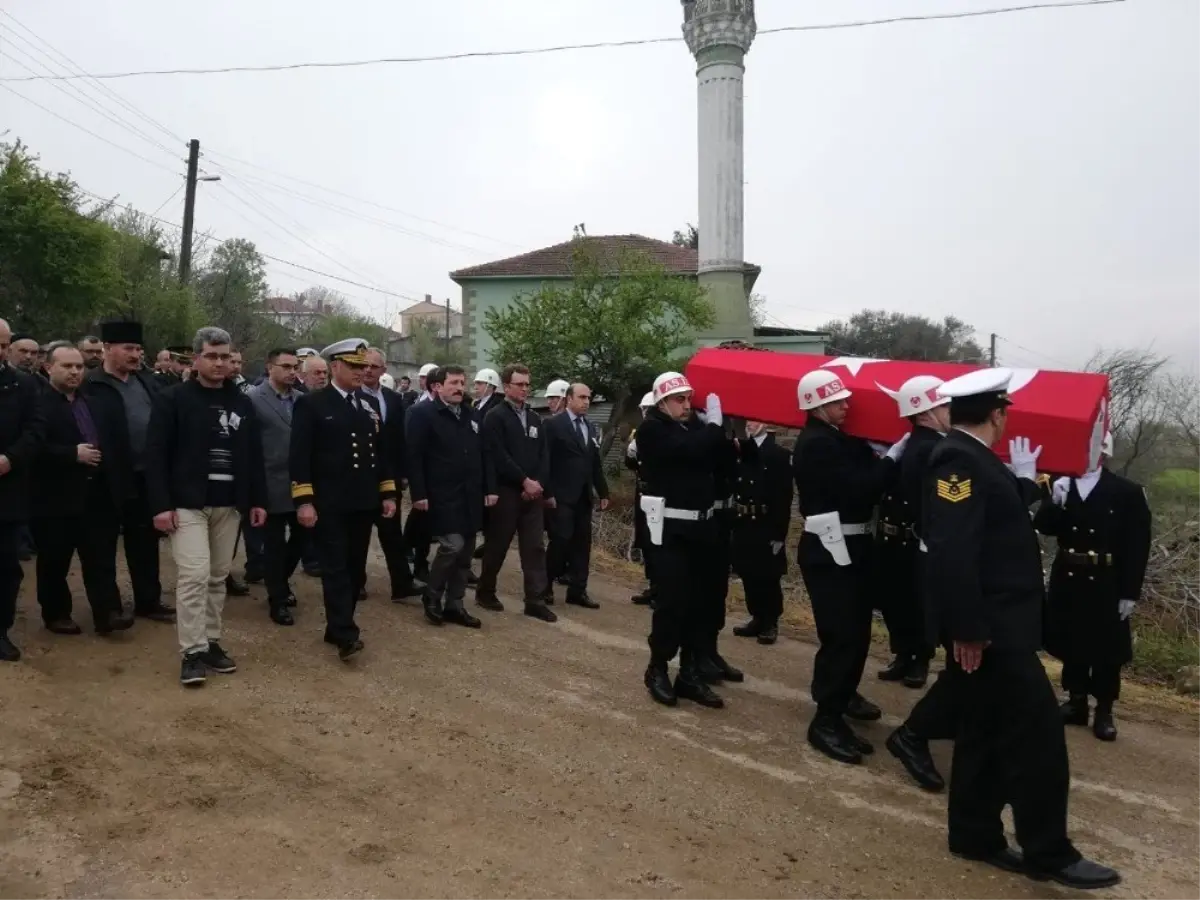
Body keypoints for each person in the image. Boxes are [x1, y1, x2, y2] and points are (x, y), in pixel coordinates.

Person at [923, 367, 1118, 889]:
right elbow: (952, 552)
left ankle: (973, 833)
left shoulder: (980, 462)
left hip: (997, 626)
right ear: (997, 414)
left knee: (984, 732)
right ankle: (1049, 851)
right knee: (1039, 742)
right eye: (1005, 411)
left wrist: (1021, 482)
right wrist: (967, 628)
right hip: (992, 630)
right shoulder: (958, 463)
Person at [792, 369, 908, 763]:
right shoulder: (816, 444)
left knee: (856, 634)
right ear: (817, 404)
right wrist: (892, 458)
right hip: (830, 548)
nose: (846, 406)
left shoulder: (836, 439)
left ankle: (841, 697)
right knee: (841, 635)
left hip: (851, 545)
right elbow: (862, 487)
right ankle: (825, 719)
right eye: (838, 401)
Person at [145, 327, 267, 687]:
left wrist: (257, 499)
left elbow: (253, 455)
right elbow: (156, 456)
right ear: (196, 358)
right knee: (194, 576)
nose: (219, 363)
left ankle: (211, 640)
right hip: (187, 504)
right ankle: (192, 652)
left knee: (217, 576)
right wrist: (161, 505)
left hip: (229, 505)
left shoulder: (243, 403)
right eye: (211, 356)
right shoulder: (173, 400)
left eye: (225, 357)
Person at [1035, 431, 1151, 742]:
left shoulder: (1127, 492)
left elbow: (1137, 545)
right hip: (1069, 574)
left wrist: (1130, 591)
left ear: (1102, 453)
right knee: (1071, 640)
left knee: (1105, 648)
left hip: (1107, 579)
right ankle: (1076, 701)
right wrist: (1051, 500)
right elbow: (1044, 527)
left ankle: (1104, 709)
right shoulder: (1062, 484)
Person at [290, 339, 398, 661]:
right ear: (335, 366)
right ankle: (345, 632)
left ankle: (336, 626)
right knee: (335, 568)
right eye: (354, 366)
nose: (362, 372)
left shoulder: (366, 404)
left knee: (354, 569)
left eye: (365, 366)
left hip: (363, 502)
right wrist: (304, 500)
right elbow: (299, 457)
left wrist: (388, 492)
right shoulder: (313, 404)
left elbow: (380, 454)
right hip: (331, 502)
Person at [637, 372, 730, 708]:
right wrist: (714, 428)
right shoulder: (652, 429)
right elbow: (690, 451)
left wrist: (716, 431)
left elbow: (719, 458)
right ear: (662, 401)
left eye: (689, 398)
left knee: (700, 604)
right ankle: (658, 667)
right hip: (671, 531)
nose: (687, 404)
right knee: (672, 603)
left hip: (702, 529)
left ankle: (689, 673)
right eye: (680, 399)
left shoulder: (692, 427)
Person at [30, 345, 135, 637]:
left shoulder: (93, 401)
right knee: (55, 559)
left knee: (100, 557)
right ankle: (56, 613)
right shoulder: (37, 404)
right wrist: (70, 454)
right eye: (66, 366)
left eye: (79, 366)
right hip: (55, 497)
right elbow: (30, 448)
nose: (75, 372)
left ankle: (107, 613)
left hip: (97, 494)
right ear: (48, 368)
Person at [86, 319, 175, 623]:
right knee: (102, 546)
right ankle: (108, 609)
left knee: (145, 544)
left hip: (144, 477)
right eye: (129, 349)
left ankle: (148, 600)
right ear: (107, 349)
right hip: (105, 479)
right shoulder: (90, 385)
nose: (136, 355)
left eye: (138, 349)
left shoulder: (148, 383)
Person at [874, 376, 952, 688]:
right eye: (944, 406)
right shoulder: (924, 447)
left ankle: (918, 658)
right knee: (900, 601)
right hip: (900, 537)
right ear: (925, 412)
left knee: (912, 602)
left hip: (910, 538)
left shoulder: (930, 448)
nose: (950, 412)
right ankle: (906, 655)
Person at [476, 363, 556, 623]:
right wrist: (523, 481)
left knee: (534, 547)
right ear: (506, 386)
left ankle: (534, 600)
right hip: (508, 491)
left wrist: (538, 483)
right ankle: (485, 591)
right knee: (497, 544)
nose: (524, 389)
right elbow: (497, 455)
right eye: (519, 384)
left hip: (533, 495)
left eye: (527, 384)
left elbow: (544, 455)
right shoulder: (495, 417)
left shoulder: (534, 418)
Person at [406, 365, 484, 628]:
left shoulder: (470, 415)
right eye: (453, 383)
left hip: (469, 494)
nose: (460, 387)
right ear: (437, 387)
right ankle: (432, 594)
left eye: (462, 382)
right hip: (440, 493)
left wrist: (487, 489)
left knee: (465, 554)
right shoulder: (422, 414)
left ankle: (455, 604)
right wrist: (418, 492)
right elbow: (413, 456)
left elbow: (480, 454)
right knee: (452, 545)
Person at [246, 348, 307, 625]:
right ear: (269, 367)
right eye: (286, 366)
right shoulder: (252, 400)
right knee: (273, 545)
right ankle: (278, 599)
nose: (292, 371)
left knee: (303, 538)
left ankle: (279, 582)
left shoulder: (303, 401)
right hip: (269, 485)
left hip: (301, 485)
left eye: (295, 366)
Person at [358, 347, 423, 602]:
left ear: (383, 370)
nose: (367, 371)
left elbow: (400, 440)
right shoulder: (352, 398)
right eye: (364, 366)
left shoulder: (394, 399)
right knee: (360, 535)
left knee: (392, 534)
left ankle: (402, 583)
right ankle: (357, 583)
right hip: (361, 478)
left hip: (389, 478)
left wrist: (403, 474)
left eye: (374, 367)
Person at [0, 318, 46, 662]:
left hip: (7, 487)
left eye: (3, 346)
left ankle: (0, 632)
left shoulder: (23, 385)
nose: (1, 352)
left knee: (5, 566)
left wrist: (10, 458)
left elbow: (36, 429)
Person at [545, 382, 610, 607]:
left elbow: (594, 463)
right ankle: (545, 586)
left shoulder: (590, 428)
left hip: (583, 495)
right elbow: (544, 461)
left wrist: (603, 491)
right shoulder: (553, 425)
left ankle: (577, 590)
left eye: (589, 398)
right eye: (582, 397)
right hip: (561, 495)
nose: (586, 402)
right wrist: (548, 492)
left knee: (583, 544)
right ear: (569, 399)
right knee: (560, 541)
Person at [730, 421, 794, 645]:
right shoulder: (742, 450)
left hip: (766, 522)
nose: (750, 424)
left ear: (766, 423)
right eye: (748, 420)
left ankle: (770, 621)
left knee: (767, 574)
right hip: (744, 520)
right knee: (747, 571)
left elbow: (784, 497)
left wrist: (779, 533)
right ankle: (756, 616)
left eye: (756, 420)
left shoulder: (778, 454)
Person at [626, 392, 658, 607]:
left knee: (658, 544)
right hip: (643, 492)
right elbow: (633, 466)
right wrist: (631, 454)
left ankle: (661, 589)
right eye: (644, 409)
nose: (645, 413)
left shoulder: (665, 432)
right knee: (646, 541)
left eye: (649, 409)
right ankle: (652, 585)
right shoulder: (640, 433)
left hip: (659, 496)